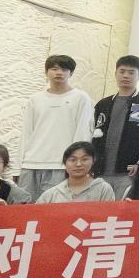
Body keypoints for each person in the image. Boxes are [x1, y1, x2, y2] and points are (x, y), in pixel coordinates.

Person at [16, 54, 93, 200]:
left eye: (64, 69)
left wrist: (76, 163)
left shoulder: (80, 98)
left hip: (60, 165)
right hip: (31, 163)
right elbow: (26, 133)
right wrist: (17, 166)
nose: (59, 73)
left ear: (71, 73)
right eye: (54, 69)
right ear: (46, 72)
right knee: (25, 208)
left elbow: (82, 134)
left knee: (54, 208)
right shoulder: (35, 99)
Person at [93, 55, 139, 199]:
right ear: (115, 73)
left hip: (129, 172)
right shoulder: (103, 104)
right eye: (122, 71)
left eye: (131, 72)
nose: (125, 76)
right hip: (100, 171)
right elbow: (91, 135)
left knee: (124, 209)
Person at [36, 142, 115, 203]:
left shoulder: (103, 189)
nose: (78, 164)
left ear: (93, 161)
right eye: (73, 160)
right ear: (64, 163)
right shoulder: (51, 195)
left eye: (84, 159)